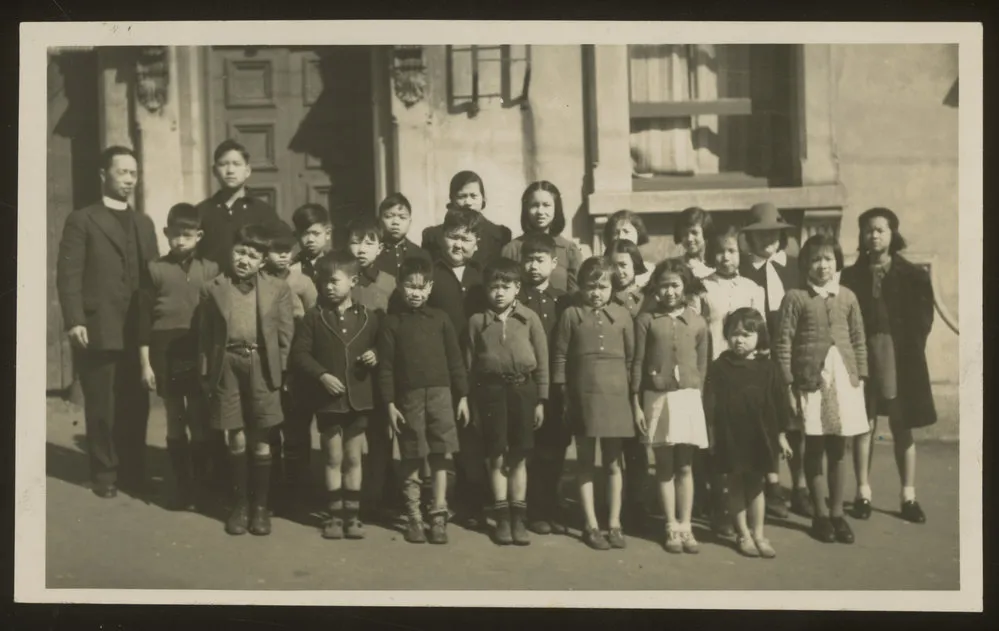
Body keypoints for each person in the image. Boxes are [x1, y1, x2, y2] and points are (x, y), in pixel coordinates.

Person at [57, 145, 160, 499]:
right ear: (104, 175)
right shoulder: (83, 219)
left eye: (134, 173)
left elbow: (154, 277)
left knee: (136, 404)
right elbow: (68, 275)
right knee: (102, 405)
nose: (129, 179)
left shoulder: (145, 223)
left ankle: (133, 472)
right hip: (99, 326)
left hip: (138, 330)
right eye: (122, 172)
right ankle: (105, 474)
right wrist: (74, 319)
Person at [840, 207, 936, 524]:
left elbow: (923, 320)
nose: (875, 235)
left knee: (901, 425)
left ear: (893, 233)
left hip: (900, 358)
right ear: (862, 236)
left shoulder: (913, 276)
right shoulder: (852, 277)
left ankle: (908, 495)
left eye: (881, 229)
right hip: (863, 356)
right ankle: (863, 493)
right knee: (863, 425)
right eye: (869, 230)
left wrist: (907, 350)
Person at [197, 225, 294, 536]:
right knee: (235, 435)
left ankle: (261, 507)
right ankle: (240, 505)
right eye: (240, 252)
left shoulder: (277, 288)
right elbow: (206, 335)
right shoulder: (214, 287)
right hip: (227, 364)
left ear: (263, 260)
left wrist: (283, 372)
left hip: (262, 365)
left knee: (261, 436)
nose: (244, 260)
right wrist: (205, 371)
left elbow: (285, 335)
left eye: (252, 256)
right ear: (231, 252)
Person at [776, 234, 869, 545]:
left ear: (837, 262)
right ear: (805, 265)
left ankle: (837, 513)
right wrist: (788, 383)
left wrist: (861, 377)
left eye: (828, 258)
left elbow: (858, 340)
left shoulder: (848, 297)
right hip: (811, 381)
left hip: (843, 381)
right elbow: (784, 342)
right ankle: (819, 515)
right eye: (815, 259)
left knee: (838, 448)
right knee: (814, 446)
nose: (822, 265)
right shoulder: (796, 297)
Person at [378, 256, 471, 544]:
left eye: (421, 287)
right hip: (409, 399)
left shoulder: (441, 319)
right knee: (411, 456)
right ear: (400, 286)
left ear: (429, 288)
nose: (415, 293)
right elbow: (386, 368)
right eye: (410, 286)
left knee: (442, 454)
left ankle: (438, 513)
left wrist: (463, 395)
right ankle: (414, 516)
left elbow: (455, 361)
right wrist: (390, 404)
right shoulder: (392, 323)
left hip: (442, 396)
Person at [290, 251, 381, 540]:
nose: (328, 287)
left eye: (334, 281)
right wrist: (322, 376)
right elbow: (300, 355)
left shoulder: (368, 317)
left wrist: (375, 354)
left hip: (359, 399)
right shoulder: (314, 318)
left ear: (353, 281)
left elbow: (383, 346)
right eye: (322, 281)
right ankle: (334, 515)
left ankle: (352, 517)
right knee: (332, 457)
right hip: (328, 401)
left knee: (354, 457)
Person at [138, 203, 219, 510]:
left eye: (187, 235)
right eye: (175, 235)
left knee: (198, 415)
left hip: (197, 346)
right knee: (175, 415)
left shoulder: (210, 269)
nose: (181, 241)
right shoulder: (154, 269)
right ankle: (181, 485)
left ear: (198, 236)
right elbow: (144, 320)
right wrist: (145, 364)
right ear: (166, 234)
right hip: (164, 347)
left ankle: (200, 484)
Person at [552, 257, 637, 551]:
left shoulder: (624, 316)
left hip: (616, 398)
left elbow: (631, 360)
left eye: (603, 286)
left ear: (612, 288)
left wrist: (632, 396)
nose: (596, 293)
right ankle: (590, 524)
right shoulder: (571, 314)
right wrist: (564, 395)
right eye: (591, 286)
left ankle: (614, 523)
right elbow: (561, 357)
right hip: (583, 397)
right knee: (585, 463)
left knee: (614, 463)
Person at [466, 258, 549, 546]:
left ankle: (518, 518)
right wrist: (470, 400)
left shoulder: (529, 319)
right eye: (493, 287)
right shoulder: (478, 322)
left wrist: (541, 400)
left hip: (522, 391)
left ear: (517, 288)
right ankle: (501, 517)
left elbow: (542, 362)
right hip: (490, 393)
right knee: (497, 455)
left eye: (506, 286)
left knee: (519, 456)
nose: (499, 292)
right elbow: (470, 364)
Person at [632, 259, 710, 554]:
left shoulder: (698, 322)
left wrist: (697, 397)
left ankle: (686, 526)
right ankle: (670, 525)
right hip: (657, 397)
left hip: (688, 398)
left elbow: (702, 366)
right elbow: (638, 363)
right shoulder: (647, 320)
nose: (669, 291)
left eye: (675, 285)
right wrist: (637, 403)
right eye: (663, 285)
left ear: (685, 286)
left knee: (686, 466)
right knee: (664, 466)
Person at [703, 307, 793, 558]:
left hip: (759, 435)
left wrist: (781, 436)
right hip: (730, 435)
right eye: (734, 334)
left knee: (756, 485)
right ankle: (742, 533)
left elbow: (779, 403)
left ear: (760, 337)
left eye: (746, 334)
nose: (739, 340)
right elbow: (710, 402)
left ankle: (759, 533)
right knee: (734, 485)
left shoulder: (769, 368)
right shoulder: (720, 366)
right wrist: (711, 435)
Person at [739, 202, 809, 520]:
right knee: (767, 420)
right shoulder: (742, 271)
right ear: (749, 239)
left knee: (795, 420)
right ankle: (773, 484)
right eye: (760, 234)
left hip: (793, 352)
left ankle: (802, 485)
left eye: (774, 233)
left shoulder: (795, 266)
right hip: (760, 353)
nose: (768, 240)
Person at [698, 225, 766, 534]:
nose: (726, 257)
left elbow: (760, 335)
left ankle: (739, 505)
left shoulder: (753, 289)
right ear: (712, 254)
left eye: (732, 251)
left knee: (741, 439)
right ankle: (716, 504)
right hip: (714, 372)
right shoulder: (702, 288)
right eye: (721, 251)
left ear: (741, 253)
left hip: (745, 374)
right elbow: (698, 333)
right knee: (716, 439)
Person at [427, 206, 490, 529]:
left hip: (477, 368)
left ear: (476, 243)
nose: (459, 245)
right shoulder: (430, 274)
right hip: (439, 367)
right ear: (441, 237)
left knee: (473, 438)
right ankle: (438, 501)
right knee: (440, 434)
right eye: (453, 237)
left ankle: (473, 502)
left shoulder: (483, 276)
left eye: (466, 239)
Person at [259, 220, 319, 511]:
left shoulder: (302, 282)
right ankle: (272, 490)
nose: (283, 256)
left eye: (288, 250)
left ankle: (299, 490)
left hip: (296, 366)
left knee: (297, 427)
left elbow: (315, 322)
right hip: (266, 363)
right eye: (276, 250)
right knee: (271, 427)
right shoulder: (257, 281)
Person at [517, 233, 572, 535]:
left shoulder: (563, 300)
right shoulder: (517, 299)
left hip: (556, 384)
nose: (533, 266)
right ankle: (533, 510)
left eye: (540, 260)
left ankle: (552, 505)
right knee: (531, 449)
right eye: (528, 259)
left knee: (556, 447)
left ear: (554, 263)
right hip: (527, 384)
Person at [195, 139, 281, 269]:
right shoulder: (201, 211)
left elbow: (276, 253)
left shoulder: (263, 211)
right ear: (214, 171)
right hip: (212, 286)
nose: (230, 170)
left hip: (253, 286)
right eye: (223, 164)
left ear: (247, 170)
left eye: (236, 164)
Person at [501, 181, 584, 292]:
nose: (540, 211)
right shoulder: (512, 249)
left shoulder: (569, 250)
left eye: (546, 205)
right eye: (534, 205)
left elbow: (575, 294)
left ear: (556, 208)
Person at [421, 170, 512, 267]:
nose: (468, 202)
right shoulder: (432, 236)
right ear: (452, 199)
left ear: (483, 199)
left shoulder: (500, 235)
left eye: (473, 196)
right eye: (462, 196)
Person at [346, 216, 397, 315]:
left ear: (379, 248)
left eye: (369, 244)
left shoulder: (391, 283)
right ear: (348, 245)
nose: (362, 250)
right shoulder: (341, 280)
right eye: (355, 243)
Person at [374, 192, 432, 278]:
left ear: (409, 221)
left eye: (402, 217)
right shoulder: (373, 253)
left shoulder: (421, 254)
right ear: (379, 221)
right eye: (389, 216)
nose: (395, 222)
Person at [603, 210, 652, 288]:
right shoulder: (603, 268)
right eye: (616, 233)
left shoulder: (650, 272)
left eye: (626, 231)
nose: (621, 236)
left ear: (638, 234)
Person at [290, 203, 334, 283]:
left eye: (316, 233)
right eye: (304, 234)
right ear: (297, 236)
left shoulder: (336, 265)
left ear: (328, 234)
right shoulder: (291, 269)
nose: (310, 239)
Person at [606, 239, 650, 318]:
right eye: (612, 266)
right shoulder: (606, 299)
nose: (618, 271)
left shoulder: (647, 296)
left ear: (635, 264)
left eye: (623, 265)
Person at [673, 206, 717, 281]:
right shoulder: (676, 266)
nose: (689, 239)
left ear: (705, 232)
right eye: (684, 234)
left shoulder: (718, 264)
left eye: (694, 233)